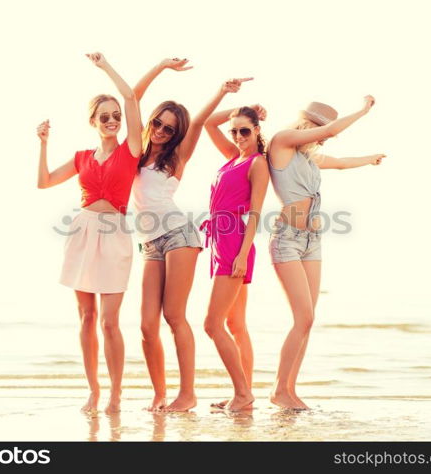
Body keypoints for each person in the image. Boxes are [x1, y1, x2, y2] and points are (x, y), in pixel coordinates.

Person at [132, 59, 250, 412]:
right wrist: (161, 67)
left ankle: (187, 395)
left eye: (169, 129)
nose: (161, 131)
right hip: (150, 242)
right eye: (158, 123)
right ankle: (159, 394)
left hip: (180, 236)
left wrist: (222, 93)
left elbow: (198, 122)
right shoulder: (134, 153)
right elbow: (132, 98)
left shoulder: (177, 155)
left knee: (174, 316)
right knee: (146, 325)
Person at [36, 52, 142, 414]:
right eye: (105, 117)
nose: (113, 120)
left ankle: (115, 393)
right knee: (86, 318)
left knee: (110, 322)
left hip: (114, 232)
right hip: (82, 231)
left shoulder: (131, 150)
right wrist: (43, 143)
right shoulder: (82, 156)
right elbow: (44, 182)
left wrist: (105, 67)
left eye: (115, 117)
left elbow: (131, 98)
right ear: (93, 121)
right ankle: (94, 391)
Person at [266, 97, 384, 409]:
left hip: (312, 239)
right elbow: (331, 132)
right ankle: (278, 390)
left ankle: (289, 390)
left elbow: (342, 163)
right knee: (302, 317)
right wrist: (362, 112)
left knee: (308, 319)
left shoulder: (308, 157)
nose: (321, 136)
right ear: (305, 124)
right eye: (318, 129)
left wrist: (369, 159)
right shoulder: (283, 141)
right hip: (287, 239)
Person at [202, 99, 270, 411]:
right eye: (235, 131)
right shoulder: (232, 157)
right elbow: (206, 123)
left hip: (234, 243)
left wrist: (242, 254)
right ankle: (243, 394)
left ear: (257, 131)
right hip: (218, 241)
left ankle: (243, 394)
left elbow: (255, 212)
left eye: (245, 130)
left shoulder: (257, 163)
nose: (239, 136)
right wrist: (237, 108)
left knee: (212, 324)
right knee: (236, 324)